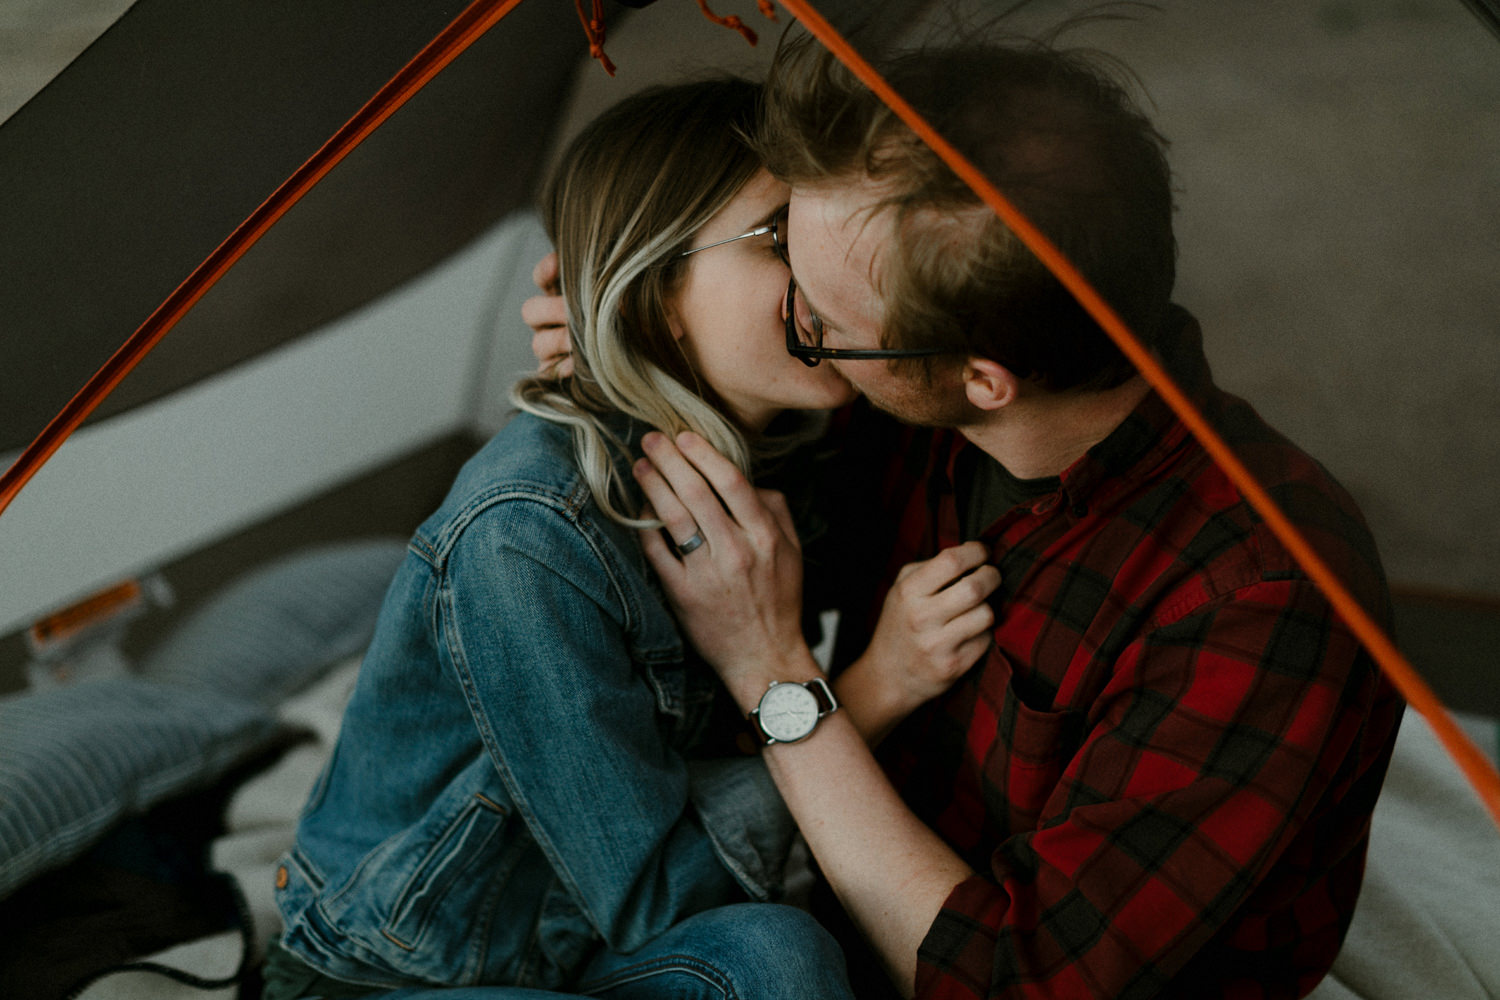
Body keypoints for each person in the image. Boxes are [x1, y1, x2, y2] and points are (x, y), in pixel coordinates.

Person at [601, 36, 1403, 1000]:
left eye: (821, 325)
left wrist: (772, 673)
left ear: (981, 380)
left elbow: (1009, 983)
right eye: (781, 252)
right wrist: (633, 337)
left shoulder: (1263, 596)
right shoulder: (912, 403)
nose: (795, 320)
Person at [265, 78, 999, 1000]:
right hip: (404, 977)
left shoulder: (785, 449)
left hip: (584, 950)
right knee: (779, 959)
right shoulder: (529, 533)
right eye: (779, 238)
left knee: (775, 953)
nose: (827, 269)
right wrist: (873, 690)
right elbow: (660, 898)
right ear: (655, 294)